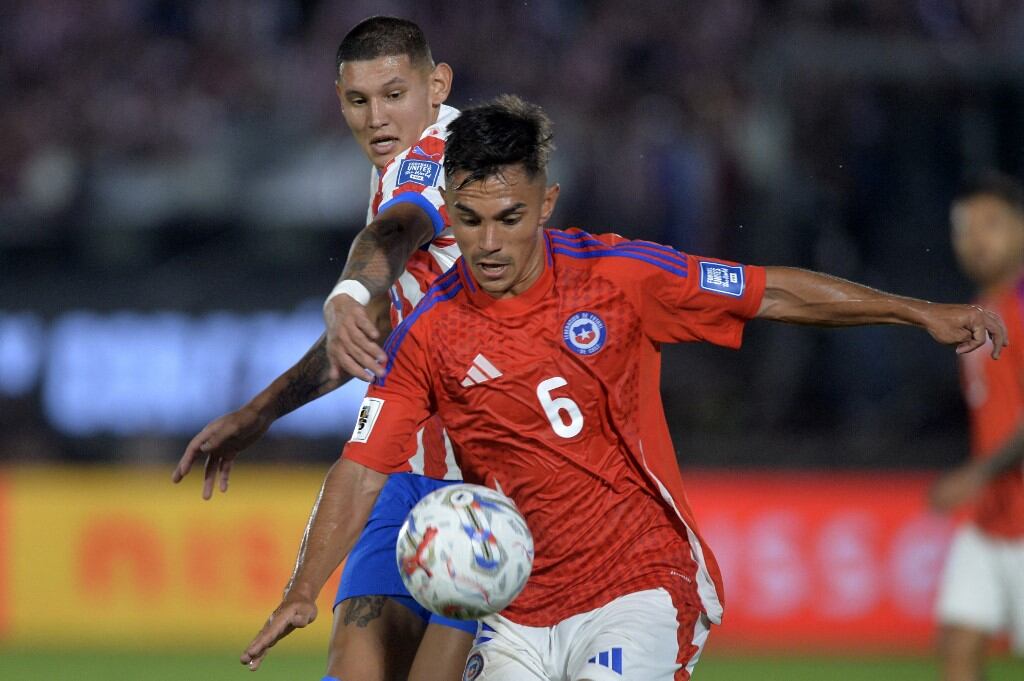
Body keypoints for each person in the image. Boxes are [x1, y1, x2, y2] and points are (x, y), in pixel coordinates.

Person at [241, 95, 1008, 681]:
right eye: (469, 220)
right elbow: (363, 464)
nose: (490, 242)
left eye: (510, 217)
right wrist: (304, 588)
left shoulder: (619, 278)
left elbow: (769, 292)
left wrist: (917, 312)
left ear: (547, 201)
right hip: (515, 609)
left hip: (636, 583)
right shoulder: (430, 334)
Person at [172, 16, 476, 681]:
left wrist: (342, 295)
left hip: (478, 482)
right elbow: (365, 341)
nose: (376, 117)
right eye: (358, 100)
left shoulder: (443, 160)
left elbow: (389, 239)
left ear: (437, 84)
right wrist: (260, 412)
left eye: (394, 94)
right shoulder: (396, 162)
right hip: (402, 472)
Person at [929, 172, 1024, 681]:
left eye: (992, 224)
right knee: (959, 650)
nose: (977, 239)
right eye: (964, 227)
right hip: (990, 519)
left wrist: (977, 472)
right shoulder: (983, 311)